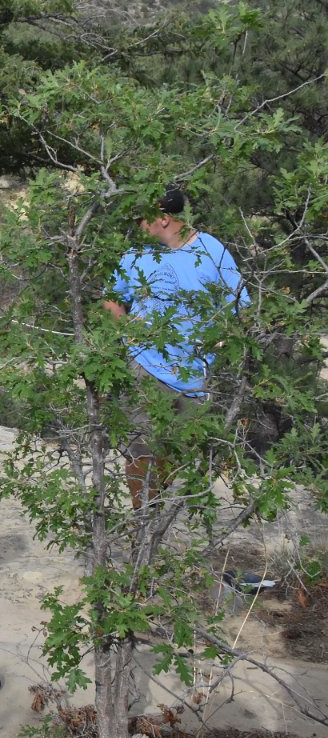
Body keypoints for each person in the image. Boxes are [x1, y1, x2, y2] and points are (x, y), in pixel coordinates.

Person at [101, 187, 249, 508]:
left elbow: (239, 302)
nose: (138, 225)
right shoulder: (136, 254)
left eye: (142, 218)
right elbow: (112, 298)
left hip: (193, 372)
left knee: (174, 452)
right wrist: (126, 330)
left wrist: (224, 336)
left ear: (164, 219)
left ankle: (154, 514)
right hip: (145, 366)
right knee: (140, 449)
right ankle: (143, 520)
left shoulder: (211, 249)